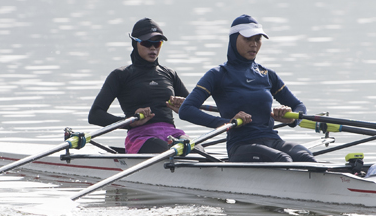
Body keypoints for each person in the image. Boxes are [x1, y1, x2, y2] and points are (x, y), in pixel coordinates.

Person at [179, 14, 315, 163]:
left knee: (306, 156)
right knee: (283, 159)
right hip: (241, 145)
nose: (254, 44)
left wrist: (292, 119)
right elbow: (186, 110)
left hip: (273, 140)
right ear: (234, 39)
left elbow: (299, 106)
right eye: (248, 39)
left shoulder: (267, 75)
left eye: (257, 39)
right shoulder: (218, 74)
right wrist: (226, 122)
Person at [88, 18, 188, 154]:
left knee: (196, 149)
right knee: (167, 151)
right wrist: (130, 122)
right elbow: (95, 115)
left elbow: (193, 109)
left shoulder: (170, 74)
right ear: (135, 43)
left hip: (173, 135)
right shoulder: (120, 75)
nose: (153, 48)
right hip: (141, 137)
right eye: (147, 43)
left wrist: (184, 108)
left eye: (157, 43)